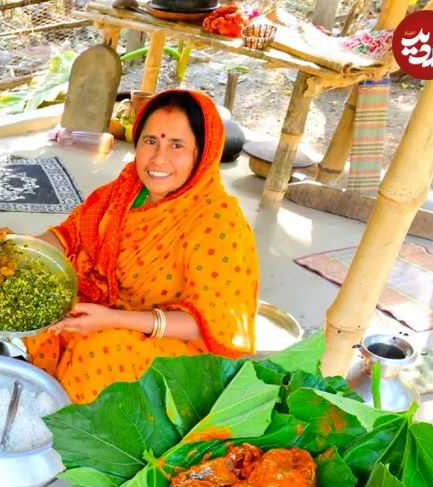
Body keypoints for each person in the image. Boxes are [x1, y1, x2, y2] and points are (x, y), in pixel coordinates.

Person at [23, 90, 259, 404]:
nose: (159, 159)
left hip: (177, 344)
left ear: (203, 152)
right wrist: (22, 249)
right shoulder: (128, 187)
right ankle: (47, 398)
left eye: (177, 145)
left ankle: (82, 433)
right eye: (150, 141)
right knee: (37, 301)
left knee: (99, 348)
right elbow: (71, 234)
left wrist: (111, 319)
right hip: (107, 308)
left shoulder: (218, 224)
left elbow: (214, 327)